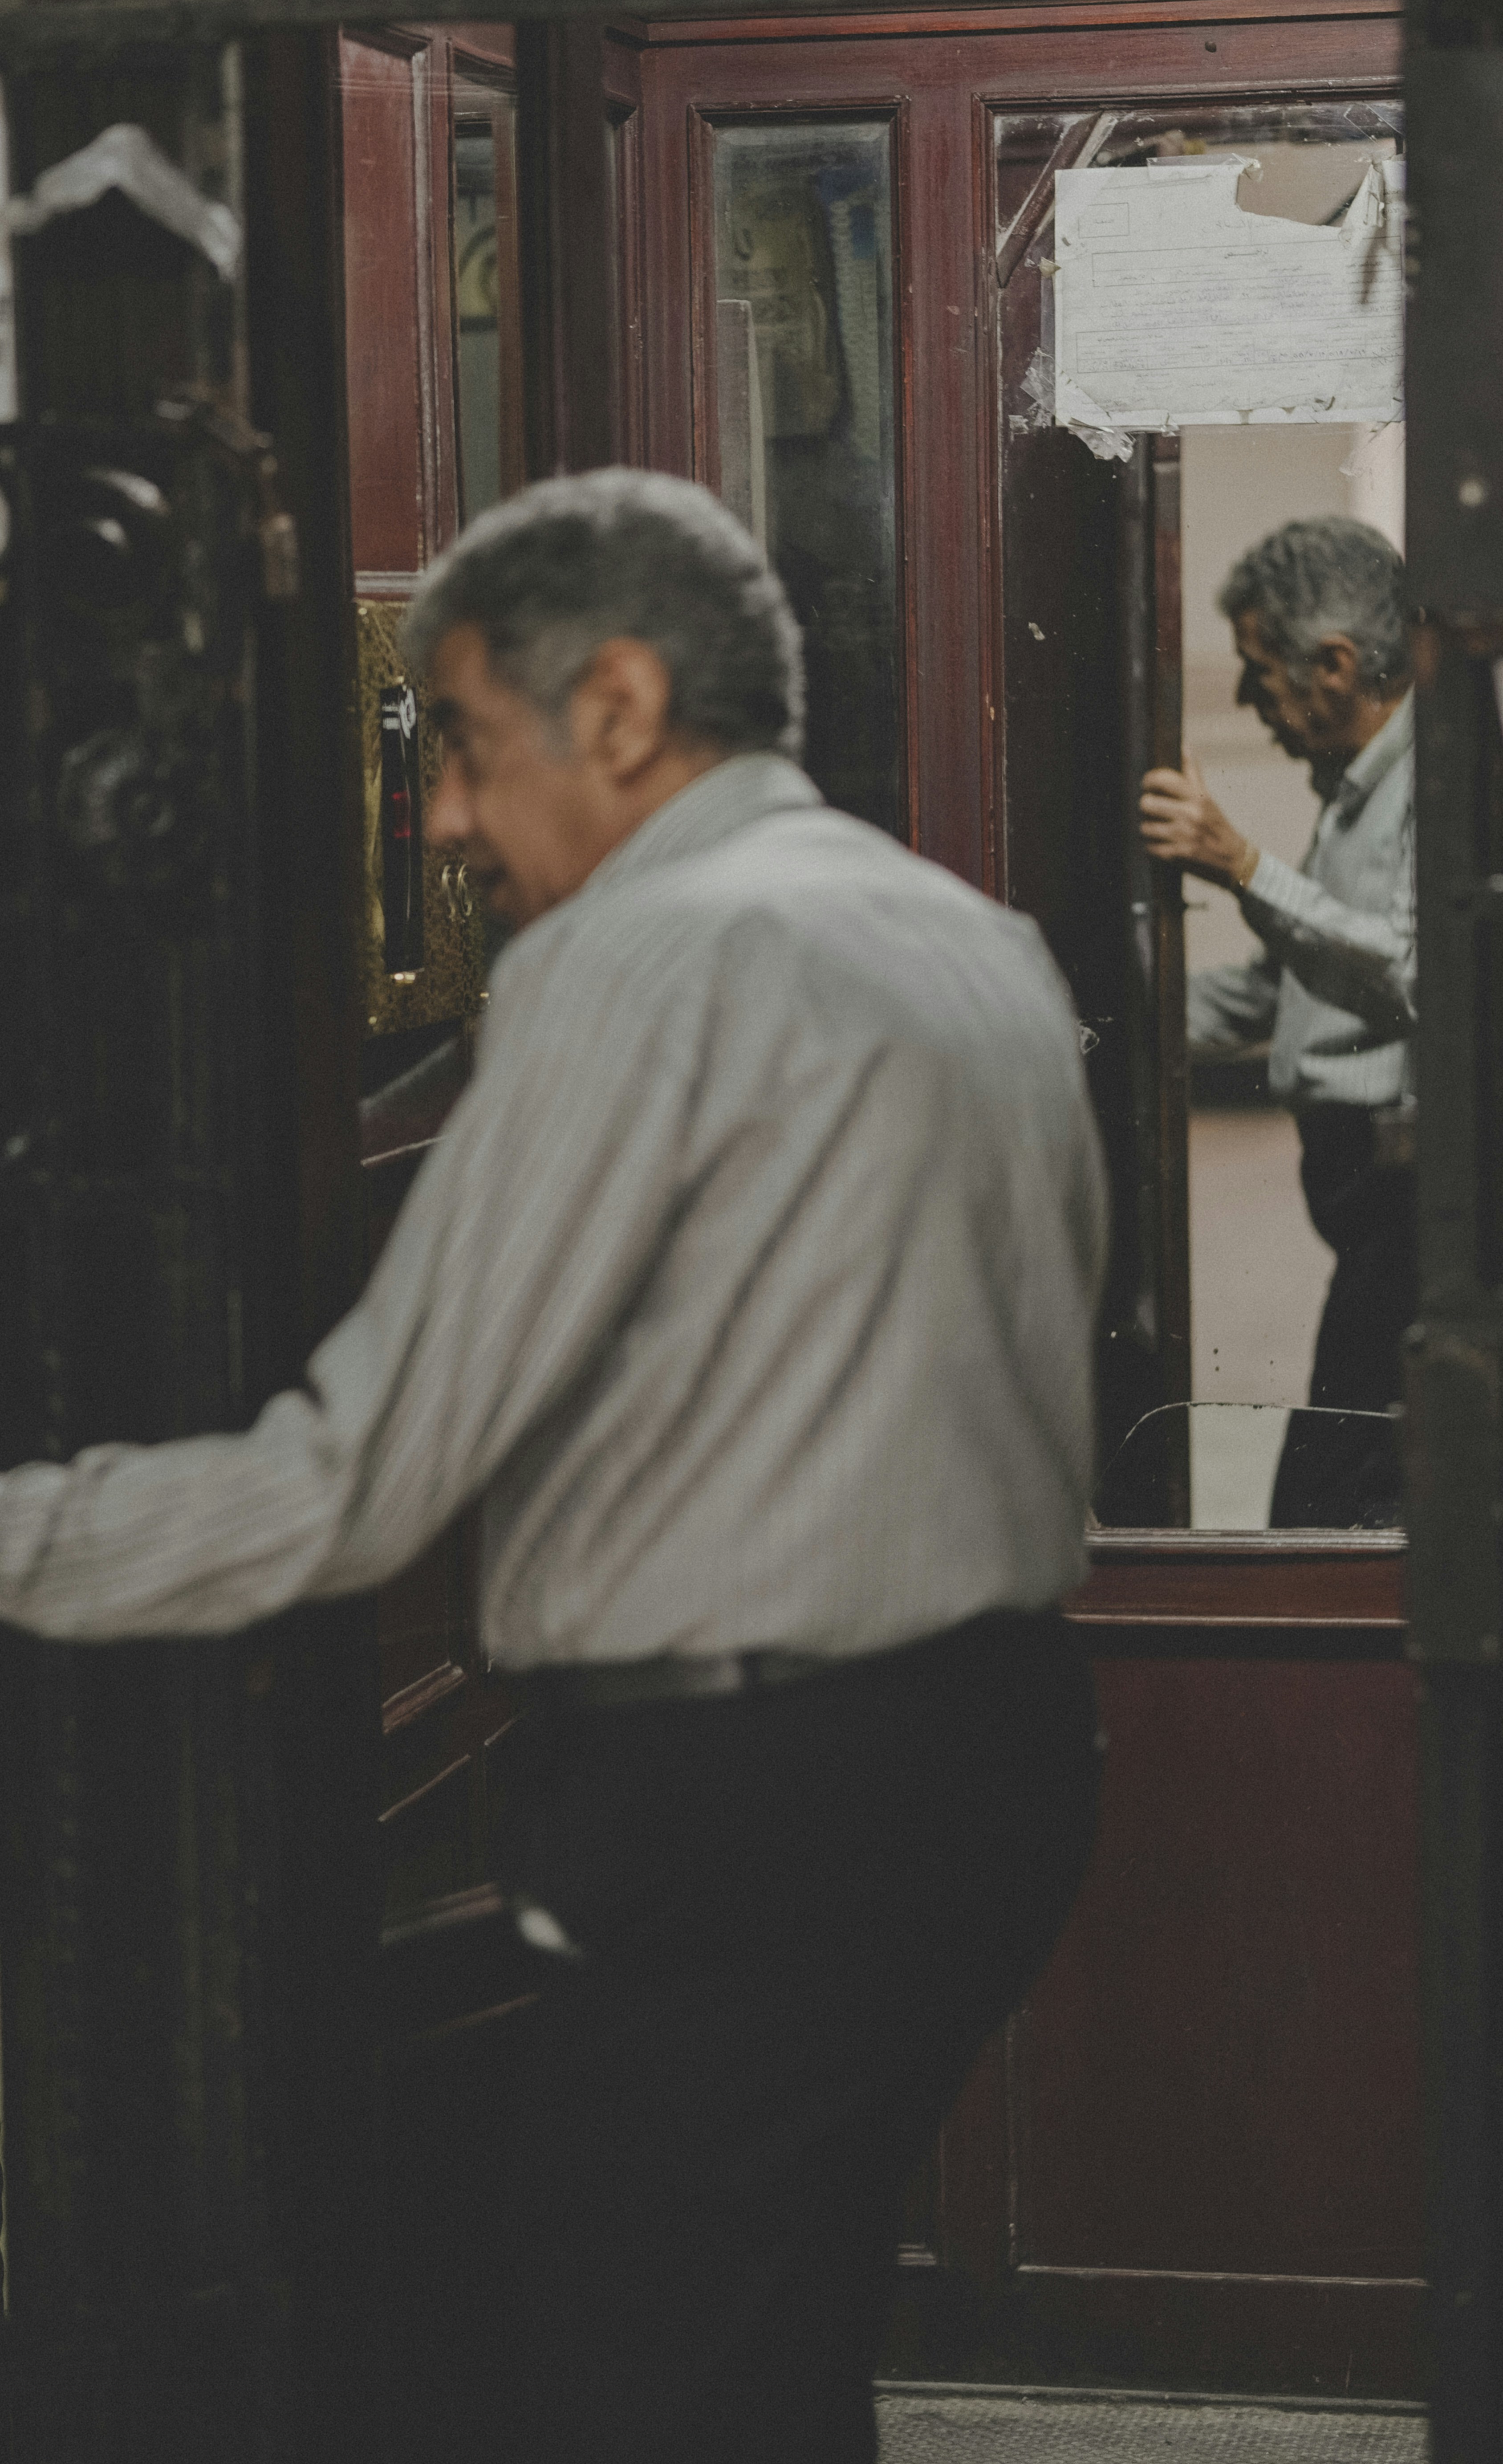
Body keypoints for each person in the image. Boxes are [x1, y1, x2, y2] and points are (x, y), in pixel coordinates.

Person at [0, 469, 1106, 2463]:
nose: (434, 819)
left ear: (614, 711)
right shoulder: (963, 934)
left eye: (460, 747)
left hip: (757, 1800)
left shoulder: (641, 954)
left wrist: (30, 1540)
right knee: (764, 2349)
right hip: (988, 1762)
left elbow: (360, 1484)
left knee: (643, 2376)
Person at [1139, 515, 1415, 1528]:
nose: (1253, 709)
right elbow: (1278, 986)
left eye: (1259, 677)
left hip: (1411, 1206)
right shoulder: (1352, 795)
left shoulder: (1439, 777)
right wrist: (1099, 1011)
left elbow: (1413, 968)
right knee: (1330, 1489)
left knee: (1329, 1504)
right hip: (1369, 1206)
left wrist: (1243, 866)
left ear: (1335, 665)